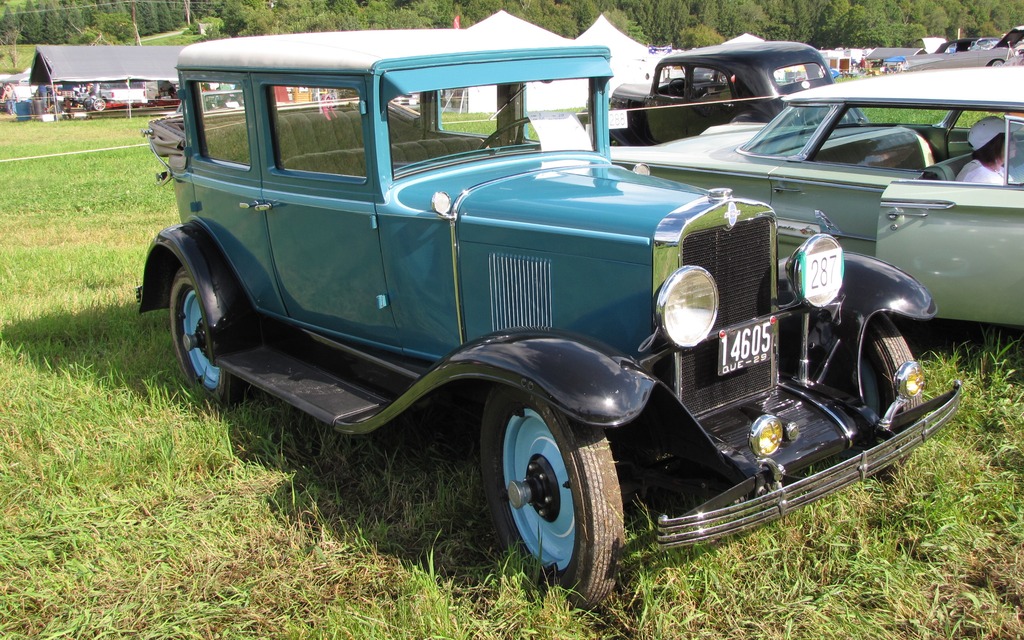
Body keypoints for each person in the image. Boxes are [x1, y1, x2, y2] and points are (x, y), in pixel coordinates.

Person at [956, 116, 1005, 184]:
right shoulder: (980, 178)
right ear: (995, 145)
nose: (1016, 141)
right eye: (1010, 138)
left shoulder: (997, 169)